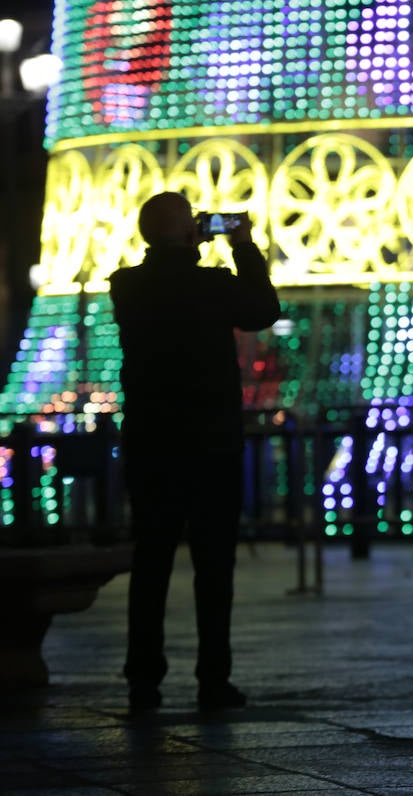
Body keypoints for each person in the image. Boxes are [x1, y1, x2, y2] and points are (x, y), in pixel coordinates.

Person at [111, 192, 281, 713]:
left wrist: (189, 244)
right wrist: (242, 245)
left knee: (151, 562)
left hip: (151, 445)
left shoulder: (126, 286)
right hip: (211, 445)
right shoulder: (213, 285)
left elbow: (167, 276)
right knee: (214, 568)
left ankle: (144, 681)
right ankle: (213, 679)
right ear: (191, 234)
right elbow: (263, 310)